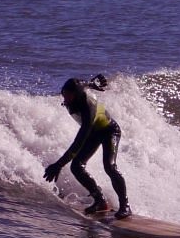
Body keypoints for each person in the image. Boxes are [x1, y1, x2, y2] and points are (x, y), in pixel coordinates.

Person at [43, 75, 132, 218]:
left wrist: (59, 164)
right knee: (77, 167)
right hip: (95, 132)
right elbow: (82, 83)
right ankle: (100, 201)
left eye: (68, 96)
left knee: (109, 167)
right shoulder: (77, 90)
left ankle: (125, 206)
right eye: (64, 95)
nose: (65, 99)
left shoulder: (87, 109)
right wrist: (92, 83)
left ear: (77, 95)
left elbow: (78, 142)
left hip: (109, 131)